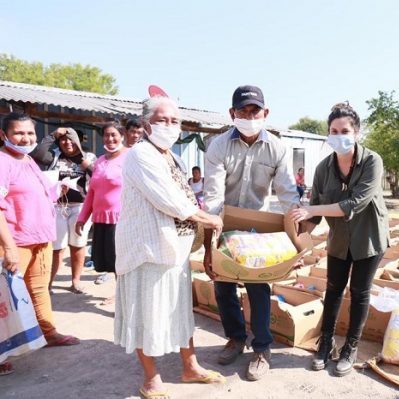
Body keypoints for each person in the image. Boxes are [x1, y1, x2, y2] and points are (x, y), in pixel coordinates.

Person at [113, 95, 225, 399]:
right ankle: (151, 377)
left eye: (175, 120)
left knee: (179, 311)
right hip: (146, 250)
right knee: (145, 314)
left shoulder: (171, 156)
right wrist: (209, 219)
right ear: (147, 124)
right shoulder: (140, 155)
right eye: (163, 119)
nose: (170, 125)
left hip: (175, 249)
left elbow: (187, 196)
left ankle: (190, 367)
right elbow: (171, 201)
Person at [203, 85, 300, 381]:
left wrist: (297, 243)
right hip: (224, 223)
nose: (248, 116)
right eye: (242, 111)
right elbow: (212, 197)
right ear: (232, 113)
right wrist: (210, 246)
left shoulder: (277, 148)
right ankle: (235, 337)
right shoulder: (218, 146)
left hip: (259, 230)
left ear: (265, 113)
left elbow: (287, 195)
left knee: (259, 287)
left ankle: (261, 348)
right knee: (223, 286)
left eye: (254, 111)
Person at [290, 103, 389, 376]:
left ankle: (351, 347)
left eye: (345, 130)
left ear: (357, 132)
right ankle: (326, 343)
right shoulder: (323, 169)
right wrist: (295, 239)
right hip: (339, 239)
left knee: (359, 292)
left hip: (369, 237)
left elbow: (354, 203)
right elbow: (314, 215)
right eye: (333, 131)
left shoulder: (372, 161)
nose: (339, 135)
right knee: (333, 290)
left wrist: (313, 209)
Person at [0, 113, 81, 375]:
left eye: (30, 134)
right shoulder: (3, 162)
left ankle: (49, 333)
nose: (26, 138)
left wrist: (58, 188)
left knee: (38, 290)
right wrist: (9, 247)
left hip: (41, 239)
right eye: (19, 133)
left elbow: (37, 193)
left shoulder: (28, 161)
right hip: (16, 241)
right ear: (4, 136)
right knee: (5, 298)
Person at [33, 127, 96, 294]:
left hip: (81, 207)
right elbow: (37, 155)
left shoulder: (88, 157)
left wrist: (83, 162)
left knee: (78, 244)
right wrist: (53, 134)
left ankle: (75, 281)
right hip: (57, 207)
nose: (67, 142)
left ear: (77, 141)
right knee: (56, 247)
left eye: (71, 139)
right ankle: (49, 283)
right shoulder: (54, 156)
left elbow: (98, 175)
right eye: (63, 139)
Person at [75, 122, 127, 293]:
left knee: (122, 265)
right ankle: (119, 298)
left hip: (121, 221)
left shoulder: (129, 158)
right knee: (109, 264)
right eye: (106, 135)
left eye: (114, 134)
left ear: (122, 136)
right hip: (100, 220)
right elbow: (91, 193)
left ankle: (123, 300)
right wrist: (82, 218)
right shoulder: (99, 161)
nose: (110, 138)